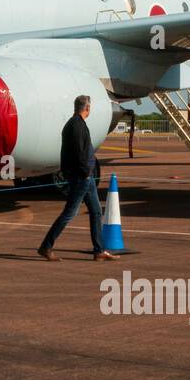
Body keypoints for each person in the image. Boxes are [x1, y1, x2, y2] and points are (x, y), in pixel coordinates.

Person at [38, 95, 117, 262]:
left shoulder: (76, 124)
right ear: (87, 108)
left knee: (96, 211)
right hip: (81, 177)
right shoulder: (76, 126)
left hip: (84, 178)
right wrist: (86, 172)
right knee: (69, 213)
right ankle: (46, 246)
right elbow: (78, 153)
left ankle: (99, 250)